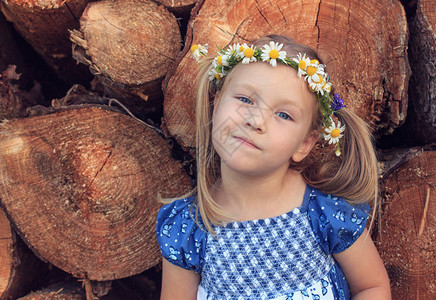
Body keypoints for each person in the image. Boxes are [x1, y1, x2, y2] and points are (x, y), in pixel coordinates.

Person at [156, 34, 391, 299]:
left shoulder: (324, 212)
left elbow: (371, 287)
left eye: (283, 115)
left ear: (304, 143)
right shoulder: (190, 226)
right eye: (245, 99)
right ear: (216, 103)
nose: (255, 120)